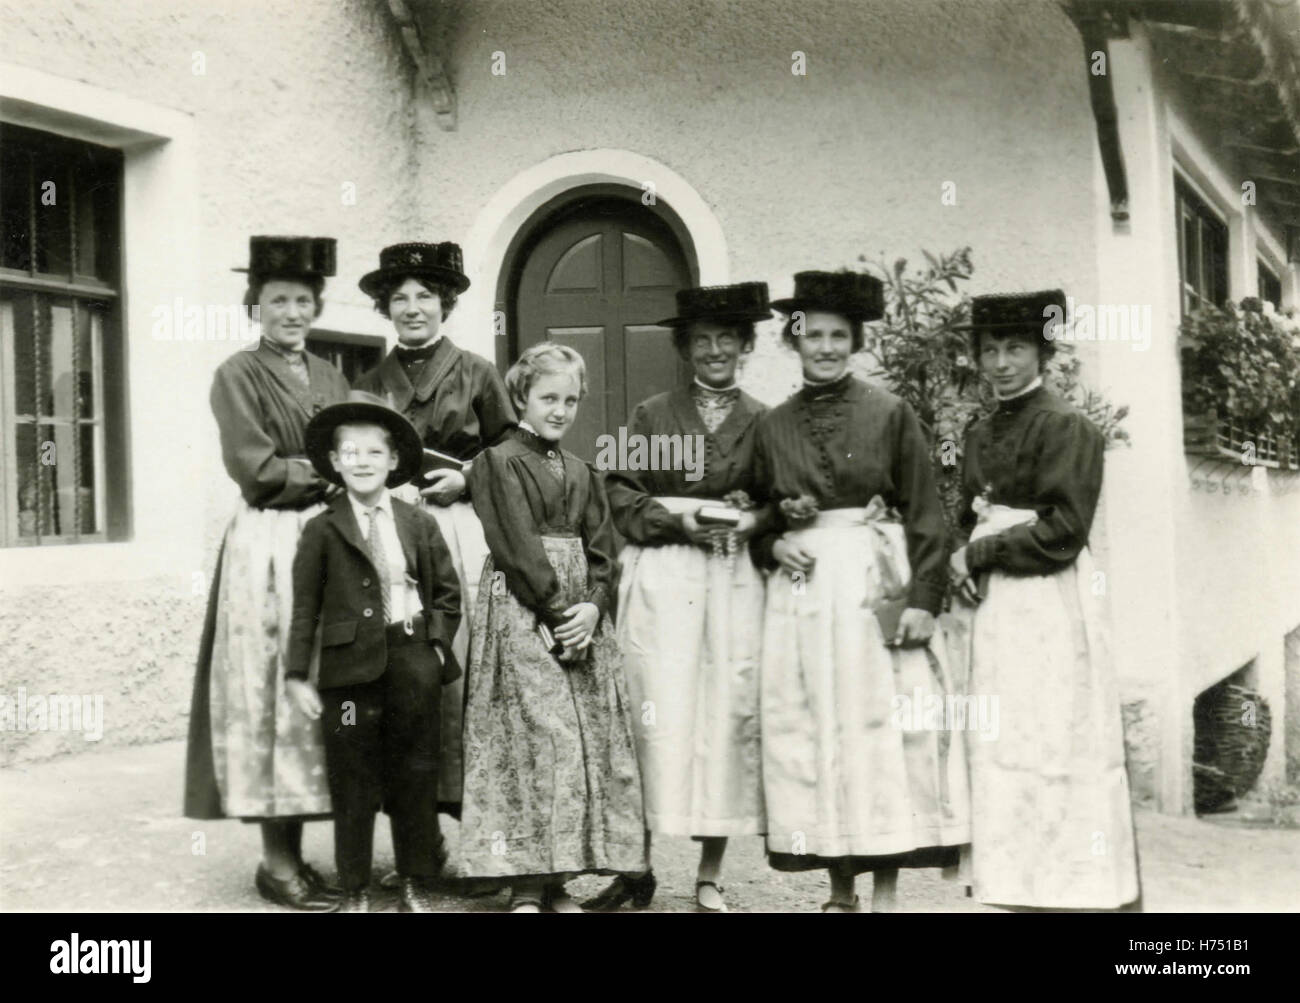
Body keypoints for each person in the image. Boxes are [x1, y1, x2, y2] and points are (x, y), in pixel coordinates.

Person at [750, 271, 970, 913]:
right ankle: (838, 892)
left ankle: (885, 894)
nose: (824, 346)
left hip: (876, 581)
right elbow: (761, 511)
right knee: (814, 726)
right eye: (812, 334)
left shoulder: (889, 413)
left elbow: (927, 511)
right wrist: (771, 544)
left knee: (881, 730)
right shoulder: (773, 425)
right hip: (804, 590)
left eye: (837, 335)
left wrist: (926, 601)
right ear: (794, 342)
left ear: (856, 341)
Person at [949, 290, 1140, 911]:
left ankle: (1073, 886)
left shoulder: (1066, 426)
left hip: (1049, 602)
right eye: (991, 350)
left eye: (1016, 348)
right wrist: (958, 558)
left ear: (1042, 352)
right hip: (995, 609)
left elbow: (1063, 529)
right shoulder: (979, 432)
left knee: (1055, 739)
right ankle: (1011, 886)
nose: (1002, 362)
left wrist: (979, 553)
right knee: (1002, 743)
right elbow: (963, 518)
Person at [585, 283, 771, 913]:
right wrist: (678, 522)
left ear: (746, 345)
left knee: (724, 713)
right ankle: (635, 866)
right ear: (685, 347)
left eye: (727, 339)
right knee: (651, 710)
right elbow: (619, 492)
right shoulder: (651, 415)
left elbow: (782, 500)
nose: (714, 350)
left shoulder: (766, 422)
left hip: (732, 579)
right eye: (701, 340)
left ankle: (710, 872)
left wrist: (756, 517)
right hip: (665, 575)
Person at [183, 236, 350, 911]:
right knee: (268, 692)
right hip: (267, 546)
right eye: (277, 299)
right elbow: (257, 471)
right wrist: (329, 473)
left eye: (302, 300)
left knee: (317, 690)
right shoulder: (236, 374)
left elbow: (359, 450)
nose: (290, 311)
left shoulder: (333, 376)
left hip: (328, 539)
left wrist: (341, 475)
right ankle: (275, 860)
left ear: (316, 307)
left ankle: (307, 852)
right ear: (255, 303)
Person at [456, 342, 648, 912]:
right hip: (522, 610)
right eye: (548, 398)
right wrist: (555, 611)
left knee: (583, 746)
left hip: (580, 621)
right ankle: (524, 883)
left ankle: (558, 879)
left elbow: (603, 549)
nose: (560, 410)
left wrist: (593, 606)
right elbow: (514, 543)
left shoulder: (584, 471)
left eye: (570, 399)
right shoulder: (496, 461)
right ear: (521, 397)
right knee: (538, 740)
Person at [354, 243, 515, 859]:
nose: (413, 308)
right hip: (390, 531)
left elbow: (512, 453)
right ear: (385, 308)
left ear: (445, 304)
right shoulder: (370, 382)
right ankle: (418, 841)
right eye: (400, 298)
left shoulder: (475, 371)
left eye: (426, 296)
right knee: (402, 671)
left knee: (463, 670)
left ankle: (481, 836)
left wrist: (470, 478)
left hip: (457, 530)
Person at [284, 391, 462, 913]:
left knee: (414, 776)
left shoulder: (418, 523)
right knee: (353, 779)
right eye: (350, 453)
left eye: (374, 453)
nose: (362, 462)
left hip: (412, 661)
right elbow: (303, 609)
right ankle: (356, 889)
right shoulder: (321, 529)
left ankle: (413, 881)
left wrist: (433, 646)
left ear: (394, 462)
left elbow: (447, 596)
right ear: (335, 463)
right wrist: (298, 675)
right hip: (347, 673)